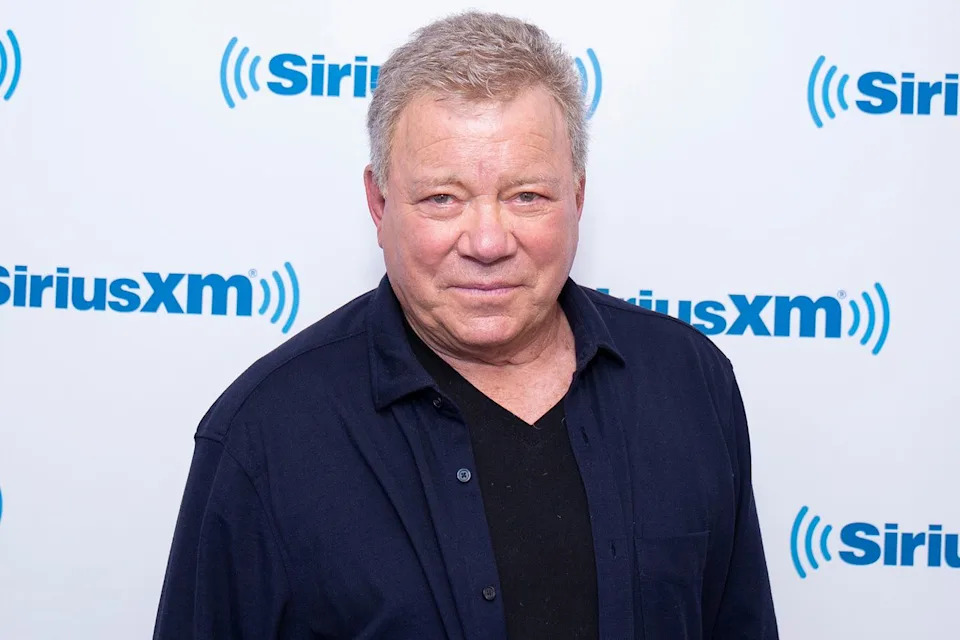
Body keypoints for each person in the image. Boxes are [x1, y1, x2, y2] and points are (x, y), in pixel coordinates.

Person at [153, 11, 778, 640]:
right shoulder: (265, 433)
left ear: (578, 198)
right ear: (379, 203)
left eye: (527, 196)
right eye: (442, 199)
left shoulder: (689, 381)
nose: (487, 242)